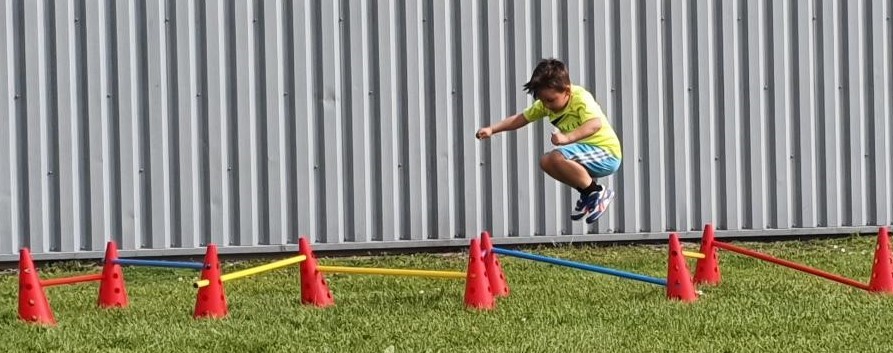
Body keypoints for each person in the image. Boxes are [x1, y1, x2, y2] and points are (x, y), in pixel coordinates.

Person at [475, 58, 622, 224]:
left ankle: (597, 192)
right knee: (546, 162)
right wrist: (492, 129)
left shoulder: (580, 98)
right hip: (588, 153)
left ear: (567, 91)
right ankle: (588, 193)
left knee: (556, 157)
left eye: (550, 100)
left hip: (606, 153)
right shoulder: (545, 104)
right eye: (542, 100)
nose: (547, 105)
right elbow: (521, 119)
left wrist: (567, 138)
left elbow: (595, 124)